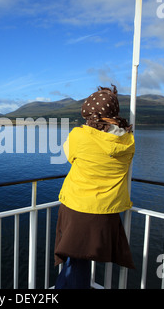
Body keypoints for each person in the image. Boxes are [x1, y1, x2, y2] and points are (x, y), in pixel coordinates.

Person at [54, 85, 135, 289]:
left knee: (76, 260)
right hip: (106, 212)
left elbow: (70, 156)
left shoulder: (80, 136)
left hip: (78, 208)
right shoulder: (127, 141)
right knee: (80, 260)